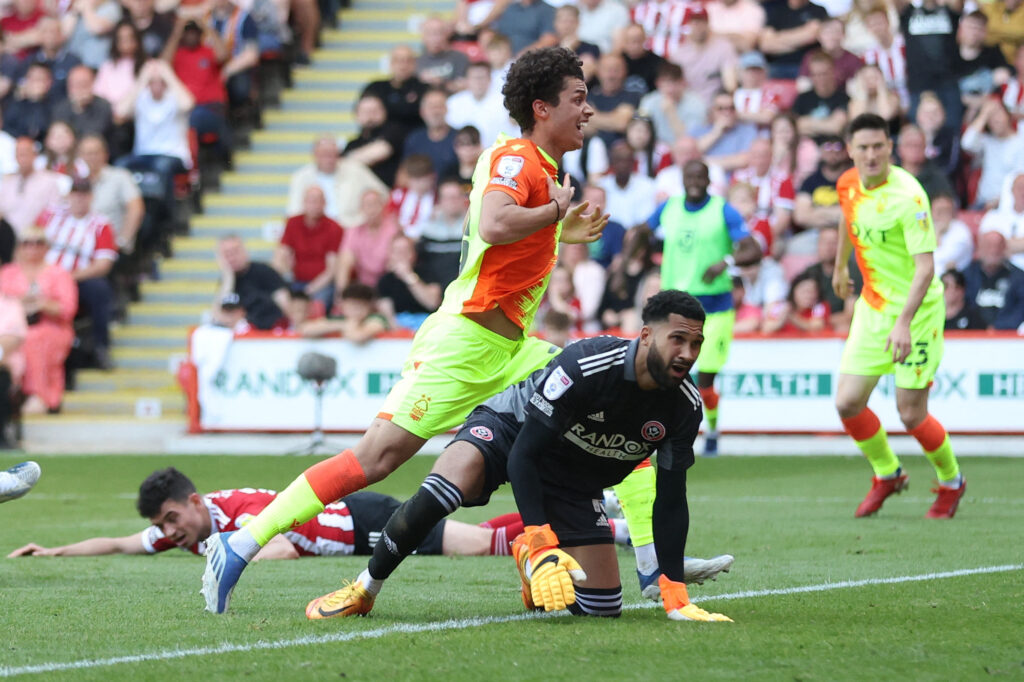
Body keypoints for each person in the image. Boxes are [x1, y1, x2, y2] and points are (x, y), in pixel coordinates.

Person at [200, 47, 608, 615]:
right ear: (543, 108)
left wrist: (564, 232)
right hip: (464, 343)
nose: (589, 110)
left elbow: (503, 248)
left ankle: (655, 564)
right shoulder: (517, 157)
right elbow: (494, 222)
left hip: (511, 348)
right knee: (376, 460)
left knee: (603, 399)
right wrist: (554, 216)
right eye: (579, 99)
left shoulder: (546, 170)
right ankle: (240, 544)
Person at [302, 291, 734, 620]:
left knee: (602, 607)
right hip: (512, 431)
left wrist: (674, 592)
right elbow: (524, 455)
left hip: (575, 477)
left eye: (696, 344)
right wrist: (542, 538)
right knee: (442, 490)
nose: (688, 354)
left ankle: (527, 561)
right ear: (645, 336)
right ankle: (365, 588)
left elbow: (671, 498)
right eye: (677, 339)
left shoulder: (684, 407)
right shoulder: (586, 365)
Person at [833, 113, 966, 520]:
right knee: (847, 403)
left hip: (918, 310)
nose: (871, 155)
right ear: (851, 150)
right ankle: (887, 472)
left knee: (910, 412)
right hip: (873, 308)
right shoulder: (848, 183)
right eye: (863, 148)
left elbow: (926, 268)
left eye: (879, 146)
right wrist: (840, 268)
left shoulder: (909, 197)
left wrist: (904, 322)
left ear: (890, 148)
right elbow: (847, 217)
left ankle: (951, 481)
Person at [7, 467, 532, 560]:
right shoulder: (193, 529)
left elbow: (278, 547)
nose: (169, 533)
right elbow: (120, 544)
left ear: (193, 502)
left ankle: (600, 523)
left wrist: (223, 555)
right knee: (482, 535)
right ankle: (587, 512)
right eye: (161, 528)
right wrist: (53, 549)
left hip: (363, 521)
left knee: (480, 546)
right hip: (356, 528)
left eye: (170, 519)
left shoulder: (241, 511)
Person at [647, 160, 761, 457]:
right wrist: (628, 260)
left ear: (708, 180)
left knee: (705, 380)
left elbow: (753, 249)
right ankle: (668, 433)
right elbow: (642, 231)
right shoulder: (669, 208)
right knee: (666, 375)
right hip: (675, 307)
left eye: (700, 176)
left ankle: (712, 430)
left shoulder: (723, 210)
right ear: (683, 179)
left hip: (715, 307)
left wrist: (727, 262)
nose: (695, 181)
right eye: (690, 176)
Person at [37, 178, 118, 370]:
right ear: (69, 195)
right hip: (43, 276)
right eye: (76, 193)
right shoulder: (50, 216)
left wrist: (68, 277)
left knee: (99, 289)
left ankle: (101, 347)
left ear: (91, 197)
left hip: (77, 278)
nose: (79, 198)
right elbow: (30, 241)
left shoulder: (101, 224)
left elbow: (103, 264)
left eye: (84, 194)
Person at [0, 227, 78, 415]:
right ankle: (11, 395)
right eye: (27, 243)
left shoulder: (59, 273)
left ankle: (40, 395)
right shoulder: (7, 272)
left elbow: (68, 309)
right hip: (10, 326)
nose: (32, 248)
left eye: (38, 243)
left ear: (46, 247)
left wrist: (42, 304)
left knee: (33, 339)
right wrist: (20, 303)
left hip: (50, 325)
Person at [285, 135, 388, 229]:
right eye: (324, 154)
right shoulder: (300, 177)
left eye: (332, 154)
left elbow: (383, 194)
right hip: (315, 234)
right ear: (315, 154)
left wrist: (364, 217)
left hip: (351, 230)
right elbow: (294, 212)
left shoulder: (355, 170)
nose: (329, 159)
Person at [274, 186, 343, 311]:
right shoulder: (293, 223)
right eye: (311, 201)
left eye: (318, 201)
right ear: (304, 202)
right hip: (297, 281)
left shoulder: (334, 228)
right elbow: (281, 254)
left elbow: (331, 270)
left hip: (323, 285)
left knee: (316, 306)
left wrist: (307, 290)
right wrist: (277, 278)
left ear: (325, 203)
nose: (315, 205)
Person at [215, 234, 289, 331]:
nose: (232, 258)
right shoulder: (227, 280)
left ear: (245, 251)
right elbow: (218, 316)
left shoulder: (264, 271)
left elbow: (285, 303)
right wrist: (228, 278)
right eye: (227, 254)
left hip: (270, 331)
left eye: (235, 251)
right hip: (243, 334)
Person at [961, 230, 1024, 329]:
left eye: (999, 246)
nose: (994, 250)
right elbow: (960, 306)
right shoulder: (967, 275)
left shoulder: (1019, 277)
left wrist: (998, 327)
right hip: (971, 334)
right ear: (979, 248)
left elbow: (1021, 309)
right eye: (988, 246)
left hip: (1008, 336)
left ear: (1005, 249)